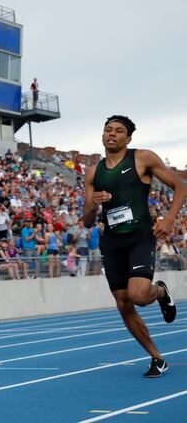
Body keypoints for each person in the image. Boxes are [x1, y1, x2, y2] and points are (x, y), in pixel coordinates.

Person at [82, 115, 184, 378]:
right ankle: (157, 357)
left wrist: (170, 219)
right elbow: (87, 220)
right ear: (102, 136)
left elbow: (180, 186)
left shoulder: (142, 158)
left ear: (128, 139)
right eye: (107, 130)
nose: (111, 134)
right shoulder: (93, 172)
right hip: (112, 241)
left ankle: (159, 291)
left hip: (139, 236)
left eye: (118, 131)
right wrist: (93, 203)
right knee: (123, 302)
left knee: (138, 296)